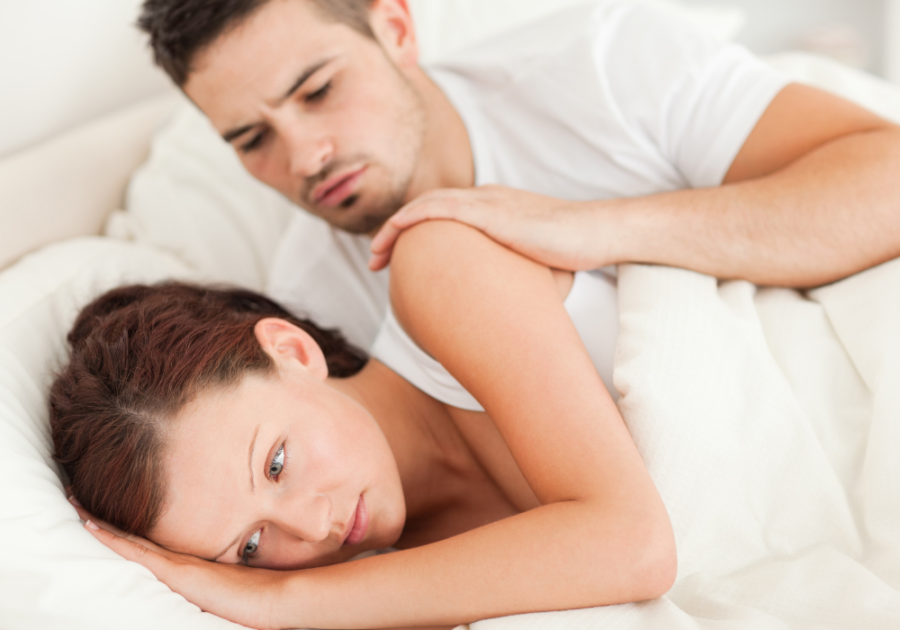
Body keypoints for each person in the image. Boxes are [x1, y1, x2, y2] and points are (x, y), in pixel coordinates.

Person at [55, 217, 671, 629]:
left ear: (293, 353)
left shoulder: (442, 273)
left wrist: (277, 600)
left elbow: (636, 544)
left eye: (276, 463)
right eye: (248, 548)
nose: (312, 526)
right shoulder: (414, 590)